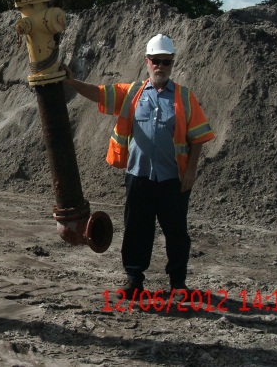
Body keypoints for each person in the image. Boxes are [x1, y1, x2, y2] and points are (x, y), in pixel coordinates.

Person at [61, 33, 215, 299]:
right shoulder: (132, 93)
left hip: (173, 179)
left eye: (166, 61)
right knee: (136, 230)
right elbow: (99, 93)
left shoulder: (185, 97)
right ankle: (134, 280)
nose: (160, 66)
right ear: (147, 61)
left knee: (176, 232)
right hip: (139, 177)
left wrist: (191, 170)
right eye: (156, 60)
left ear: (172, 63)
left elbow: (198, 136)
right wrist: (72, 81)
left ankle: (178, 284)